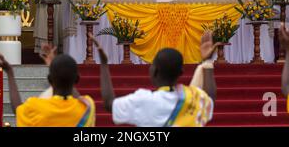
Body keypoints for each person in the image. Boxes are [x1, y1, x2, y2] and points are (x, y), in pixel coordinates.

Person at [91, 31, 219, 127]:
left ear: (154, 71)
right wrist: (207, 62)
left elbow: (109, 104)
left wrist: (103, 64)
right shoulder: (193, 97)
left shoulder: (143, 99)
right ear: (181, 72)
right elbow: (209, 99)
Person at [0, 47, 95, 127]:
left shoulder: (36, 107)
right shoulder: (87, 107)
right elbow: (75, 91)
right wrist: (57, 68)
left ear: (50, 80)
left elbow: (17, 109)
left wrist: (10, 72)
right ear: (77, 79)